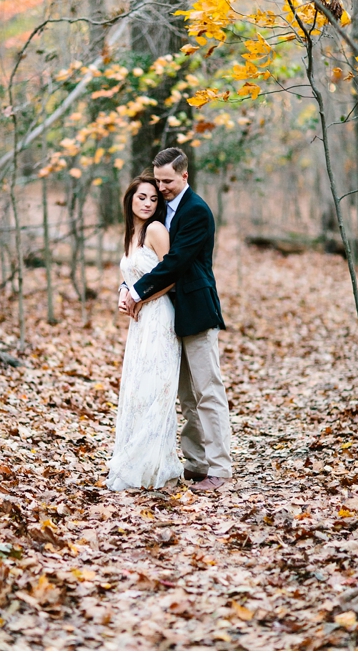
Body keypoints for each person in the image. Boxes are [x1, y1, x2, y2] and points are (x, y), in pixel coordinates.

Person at [119, 148, 232, 493]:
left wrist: (136, 293)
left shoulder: (196, 211)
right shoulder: (163, 209)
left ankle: (220, 468)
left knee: (207, 391)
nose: (162, 187)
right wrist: (127, 287)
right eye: (158, 180)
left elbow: (176, 262)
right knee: (184, 394)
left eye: (167, 181)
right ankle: (196, 464)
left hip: (195, 310)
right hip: (167, 317)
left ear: (185, 176)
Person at [106, 175, 183, 490]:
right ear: (130, 199)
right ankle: (136, 461)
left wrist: (140, 297)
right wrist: (123, 294)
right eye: (142, 197)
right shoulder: (132, 233)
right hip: (139, 324)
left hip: (159, 317)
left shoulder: (155, 230)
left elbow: (172, 275)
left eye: (154, 199)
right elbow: (132, 275)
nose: (148, 203)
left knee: (154, 390)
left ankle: (154, 466)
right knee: (138, 390)